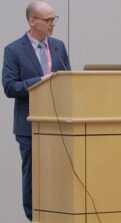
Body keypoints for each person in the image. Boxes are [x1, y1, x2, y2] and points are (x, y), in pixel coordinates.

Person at [2, 0, 71, 221]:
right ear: (32, 21)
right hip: (29, 125)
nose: (53, 24)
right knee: (32, 175)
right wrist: (40, 81)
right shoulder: (13, 50)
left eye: (54, 19)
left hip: (59, 123)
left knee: (60, 173)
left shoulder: (58, 46)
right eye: (48, 20)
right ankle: (34, 217)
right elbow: (10, 87)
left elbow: (67, 81)